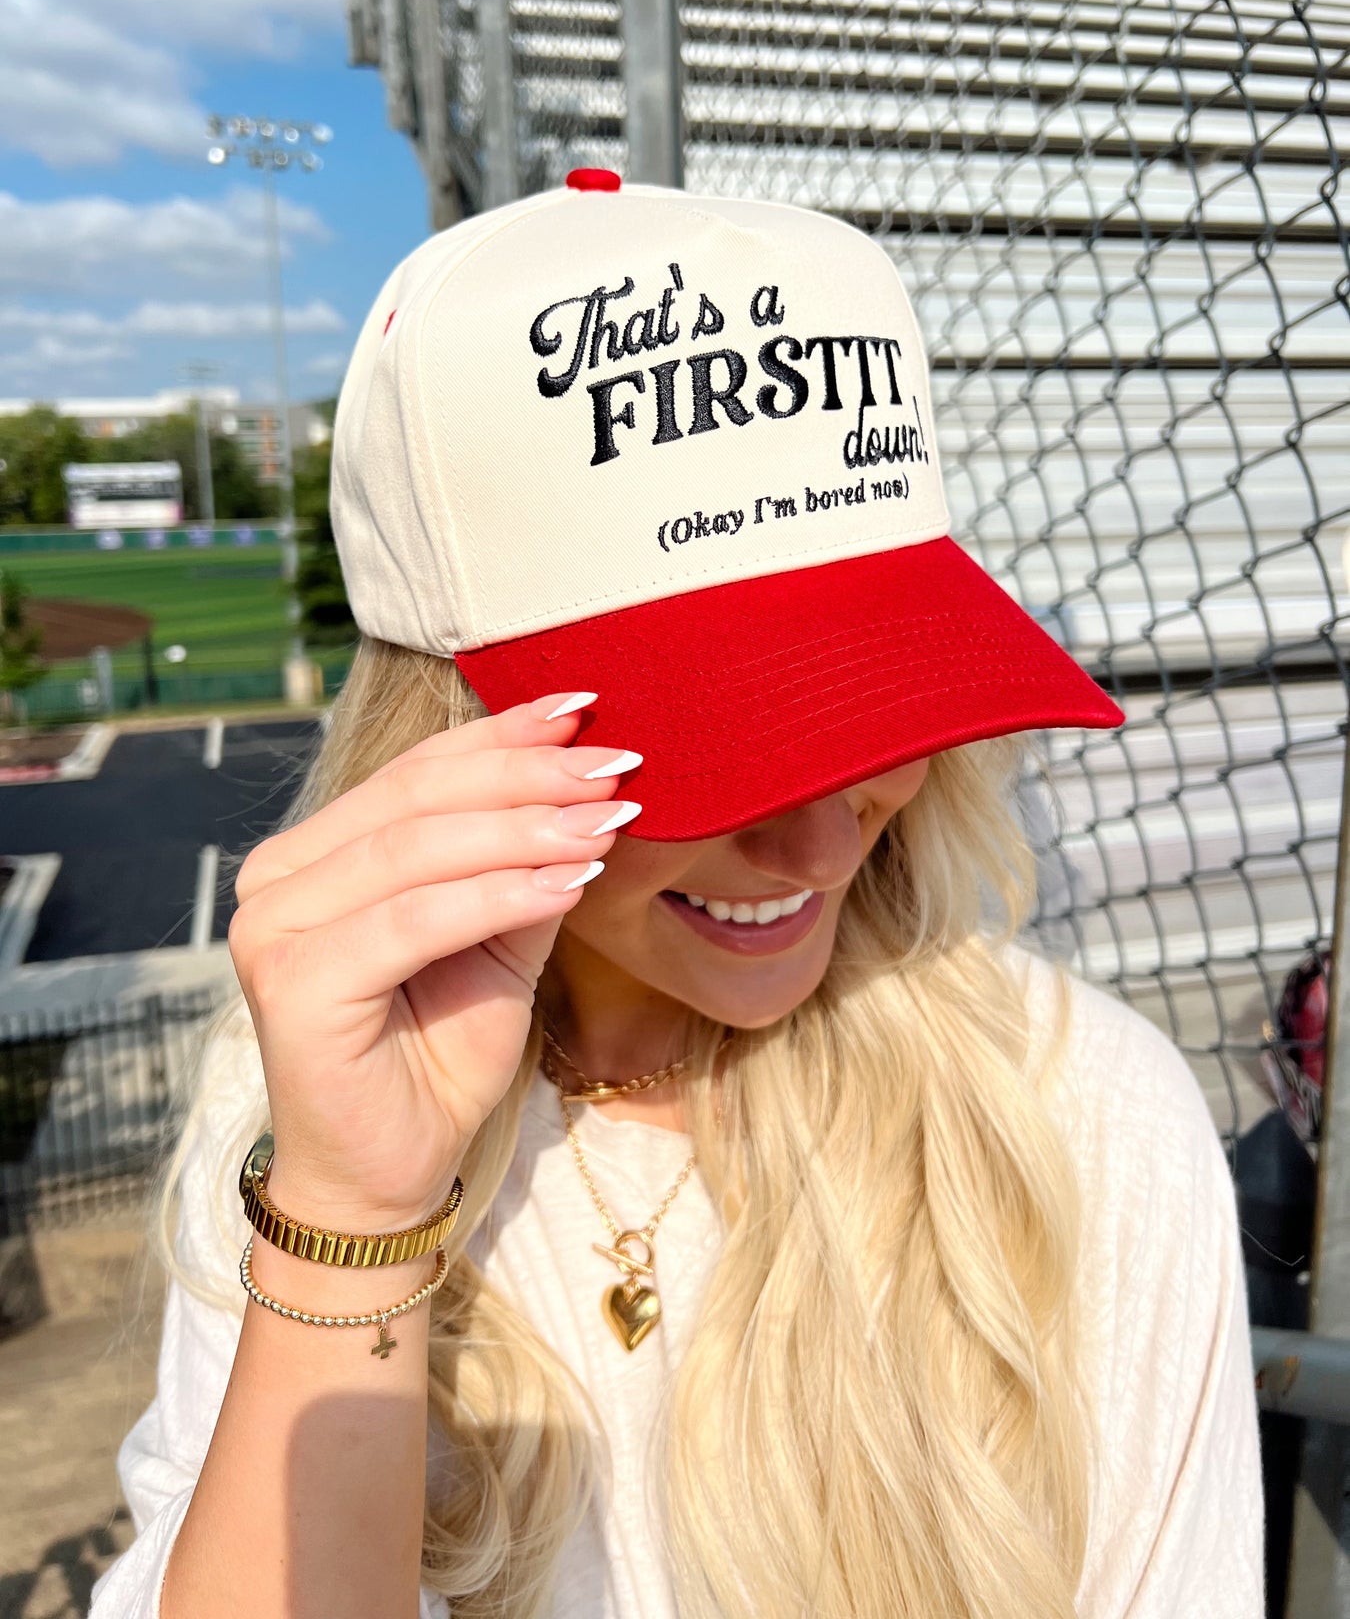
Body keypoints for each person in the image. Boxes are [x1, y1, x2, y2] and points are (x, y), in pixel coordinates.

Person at [91, 175, 1263, 1619]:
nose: (820, 847)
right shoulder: (304, 1106)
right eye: (717, 748)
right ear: (453, 737)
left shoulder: (1072, 1115)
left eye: (878, 701)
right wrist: (353, 1222)